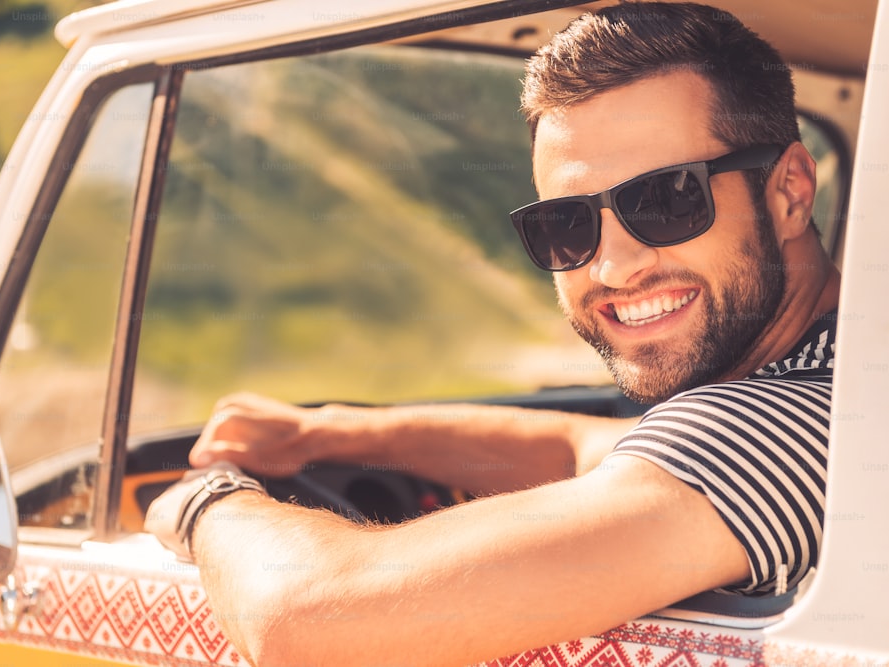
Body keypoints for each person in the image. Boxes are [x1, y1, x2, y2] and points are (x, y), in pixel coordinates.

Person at [145, 2, 840, 664]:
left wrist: (206, 500)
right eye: (567, 223)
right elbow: (581, 446)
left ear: (790, 191)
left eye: (665, 199)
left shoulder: (793, 419)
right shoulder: (832, 378)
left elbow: (306, 617)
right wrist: (320, 432)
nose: (611, 265)